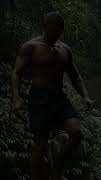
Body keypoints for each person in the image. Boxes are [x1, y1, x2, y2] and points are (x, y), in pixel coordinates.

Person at [11, 12, 94, 180]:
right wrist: (16, 98)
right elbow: (16, 73)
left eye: (60, 30)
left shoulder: (65, 49)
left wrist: (85, 96)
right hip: (39, 97)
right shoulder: (31, 47)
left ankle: (57, 164)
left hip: (59, 97)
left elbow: (75, 75)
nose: (57, 33)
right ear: (45, 26)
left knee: (77, 133)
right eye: (54, 28)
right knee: (41, 142)